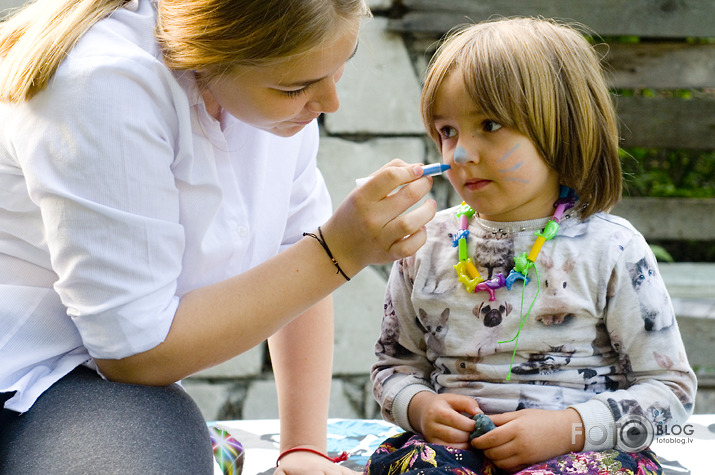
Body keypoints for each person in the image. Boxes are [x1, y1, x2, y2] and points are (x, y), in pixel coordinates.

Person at [0, 0, 438, 473]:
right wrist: (340, 251)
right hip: (27, 365)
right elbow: (134, 355)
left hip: (93, 391)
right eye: (296, 87)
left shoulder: (273, 107)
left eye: (340, 67)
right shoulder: (104, 85)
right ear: (207, 53)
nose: (331, 103)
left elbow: (298, 249)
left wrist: (304, 449)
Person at [366, 17, 696, 474]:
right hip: (451, 458)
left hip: (581, 454)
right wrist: (420, 407)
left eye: (490, 124)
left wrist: (568, 428)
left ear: (562, 129)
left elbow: (670, 390)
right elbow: (393, 370)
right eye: (447, 131)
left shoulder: (612, 250)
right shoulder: (425, 247)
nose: (461, 154)